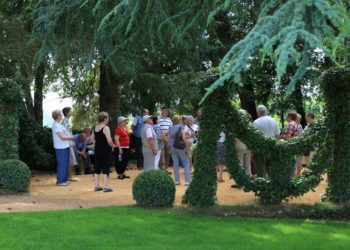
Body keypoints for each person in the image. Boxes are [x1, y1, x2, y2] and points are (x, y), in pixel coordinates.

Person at [253, 105, 280, 178]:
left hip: (260, 148)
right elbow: (278, 136)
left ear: (258, 112)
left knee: (261, 168)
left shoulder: (256, 122)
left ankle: (263, 185)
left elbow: (254, 137)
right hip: (272, 147)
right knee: (271, 168)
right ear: (266, 111)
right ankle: (272, 184)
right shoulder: (273, 120)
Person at [92, 112, 114, 192]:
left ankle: (97, 186)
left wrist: (98, 144)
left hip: (97, 150)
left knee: (97, 167)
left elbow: (92, 139)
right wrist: (112, 146)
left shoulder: (95, 127)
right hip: (105, 150)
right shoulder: (105, 128)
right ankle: (106, 187)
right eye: (107, 117)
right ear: (104, 118)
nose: (108, 119)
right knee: (105, 167)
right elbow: (109, 140)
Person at [51, 110, 74, 186]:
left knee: (64, 164)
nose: (62, 116)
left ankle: (64, 180)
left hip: (64, 146)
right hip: (60, 147)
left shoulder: (59, 124)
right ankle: (60, 181)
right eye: (60, 115)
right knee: (62, 164)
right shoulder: (56, 125)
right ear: (57, 116)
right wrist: (70, 137)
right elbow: (62, 137)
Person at [167, 115, 191, 185]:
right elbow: (184, 138)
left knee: (175, 163)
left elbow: (163, 135)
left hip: (171, 146)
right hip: (179, 146)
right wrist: (187, 148)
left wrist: (168, 142)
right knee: (186, 162)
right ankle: (187, 181)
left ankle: (177, 181)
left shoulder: (170, 127)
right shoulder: (181, 127)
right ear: (179, 120)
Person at [281, 112, 301, 176]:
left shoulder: (290, 124)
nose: (287, 118)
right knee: (292, 162)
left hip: (288, 146)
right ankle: (293, 177)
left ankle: (290, 177)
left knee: (288, 163)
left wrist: (285, 145)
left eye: (288, 116)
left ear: (290, 117)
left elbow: (288, 137)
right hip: (294, 146)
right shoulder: (296, 125)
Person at [61, 107, 78, 182]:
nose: (71, 112)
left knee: (71, 159)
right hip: (68, 142)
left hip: (69, 142)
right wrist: (70, 138)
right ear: (66, 112)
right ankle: (69, 177)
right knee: (70, 159)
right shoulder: (65, 121)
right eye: (70, 111)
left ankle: (70, 176)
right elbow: (65, 132)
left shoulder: (67, 121)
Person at [235, 109, 252, 176]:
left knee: (240, 164)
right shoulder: (250, 124)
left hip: (239, 145)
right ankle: (249, 180)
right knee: (247, 165)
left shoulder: (237, 124)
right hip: (248, 145)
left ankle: (241, 182)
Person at [159, 106, 172, 174]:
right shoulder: (158, 119)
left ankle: (165, 168)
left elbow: (171, 128)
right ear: (161, 111)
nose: (166, 112)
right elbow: (157, 128)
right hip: (161, 138)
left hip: (168, 138)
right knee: (162, 153)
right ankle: (162, 169)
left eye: (167, 110)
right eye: (165, 110)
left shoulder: (169, 119)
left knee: (168, 153)